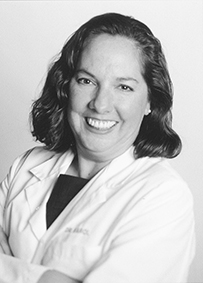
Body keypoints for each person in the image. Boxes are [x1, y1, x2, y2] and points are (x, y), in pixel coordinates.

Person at [0, 12, 195, 283]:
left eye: (124, 87)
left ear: (151, 101)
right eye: (87, 81)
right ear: (66, 86)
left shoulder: (163, 195)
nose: (100, 104)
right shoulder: (27, 167)